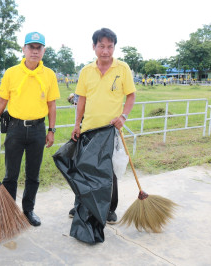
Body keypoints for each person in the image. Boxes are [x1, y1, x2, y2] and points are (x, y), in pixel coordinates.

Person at [0, 32, 60, 227]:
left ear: (43, 51)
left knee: (33, 174)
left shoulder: (49, 75)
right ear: (23, 49)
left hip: (37, 129)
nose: (35, 51)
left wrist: (51, 130)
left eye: (38, 48)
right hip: (15, 128)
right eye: (31, 47)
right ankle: (9, 213)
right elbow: (1, 102)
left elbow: (51, 105)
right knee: (11, 174)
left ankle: (28, 210)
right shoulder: (11, 73)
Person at [68, 28, 136, 224]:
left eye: (109, 46)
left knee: (110, 171)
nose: (105, 51)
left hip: (111, 130)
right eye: (101, 46)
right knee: (84, 169)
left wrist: (123, 116)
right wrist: (77, 124)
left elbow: (131, 96)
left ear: (114, 47)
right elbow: (81, 100)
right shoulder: (86, 71)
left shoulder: (122, 69)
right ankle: (81, 204)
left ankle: (110, 209)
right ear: (94, 47)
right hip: (88, 129)